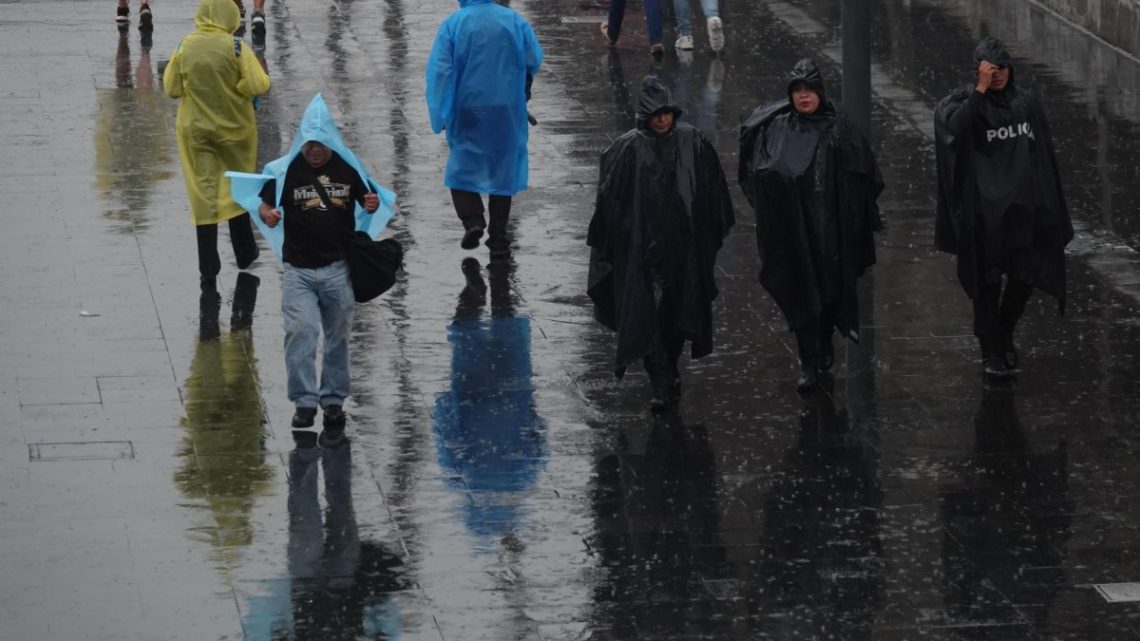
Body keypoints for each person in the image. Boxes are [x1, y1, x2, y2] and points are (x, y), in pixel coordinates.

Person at [232, 94, 394, 444]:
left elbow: (370, 201)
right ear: (301, 141)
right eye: (310, 144)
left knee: (337, 338)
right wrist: (268, 214)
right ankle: (304, 402)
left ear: (330, 141)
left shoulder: (349, 170)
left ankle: (333, 400)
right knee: (301, 333)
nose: (315, 150)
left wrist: (371, 201)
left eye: (321, 143)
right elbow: (263, 206)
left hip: (338, 270)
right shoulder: (287, 171)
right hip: (298, 272)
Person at [588, 76, 735, 412]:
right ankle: (660, 379)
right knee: (647, 314)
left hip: (682, 250)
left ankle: (668, 369)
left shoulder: (692, 142)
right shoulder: (627, 149)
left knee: (678, 314)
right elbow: (609, 205)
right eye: (656, 114)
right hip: (641, 252)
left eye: (666, 112)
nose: (662, 119)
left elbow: (711, 194)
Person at [738, 59, 884, 394]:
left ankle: (823, 342)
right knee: (801, 293)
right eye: (797, 91)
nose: (803, 97)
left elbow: (864, 175)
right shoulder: (776, 129)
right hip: (792, 229)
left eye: (808, 90)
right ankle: (808, 358)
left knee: (831, 293)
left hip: (831, 230)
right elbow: (758, 174)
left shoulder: (840, 128)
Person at [934, 37, 1073, 381]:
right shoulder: (962, 103)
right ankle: (992, 350)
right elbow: (954, 131)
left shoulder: (1027, 103)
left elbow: (1041, 156)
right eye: (989, 70)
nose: (997, 76)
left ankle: (1004, 331)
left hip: (1024, 210)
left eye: (1002, 70)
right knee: (986, 284)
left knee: (1024, 276)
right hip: (983, 214)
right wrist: (979, 92)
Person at [164, 0, 270, 291]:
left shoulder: (185, 46)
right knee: (236, 186)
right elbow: (258, 84)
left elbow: (172, 87)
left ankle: (208, 266)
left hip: (196, 132)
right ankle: (245, 251)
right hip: (235, 131)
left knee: (204, 192)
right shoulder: (236, 47)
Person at [426, 0, 543, 260]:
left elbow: (440, 71)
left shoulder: (454, 24)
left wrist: (440, 113)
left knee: (461, 164)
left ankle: (473, 220)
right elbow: (533, 57)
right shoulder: (513, 20)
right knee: (504, 170)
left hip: (467, 106)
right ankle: (499, 238)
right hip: (506, 107)